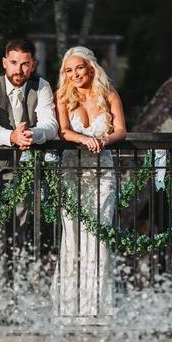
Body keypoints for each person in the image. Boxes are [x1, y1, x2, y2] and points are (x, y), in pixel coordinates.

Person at [52, 46, 126, 319]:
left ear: (91, 68)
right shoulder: (62, 96)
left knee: (98, 238)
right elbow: (62, 131)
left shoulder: (108, 94)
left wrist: (103, 141)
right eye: (68, 70)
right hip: (72, 173)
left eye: (78, 68)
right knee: (72, 237)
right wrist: (83, 139)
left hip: (102, 173)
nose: (74, 74)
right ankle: (69, 308)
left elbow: (121, 130)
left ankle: (96, 308)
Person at [0, 38, 58, 248]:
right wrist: (12, 137)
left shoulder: (42, 86)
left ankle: (13, 281)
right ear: (4, 62)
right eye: (13, 63)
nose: (18, 70)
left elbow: (51, 125)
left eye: (25, 64)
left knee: (17, 235)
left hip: (22, 170)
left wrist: (31, 134)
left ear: (33, 65)